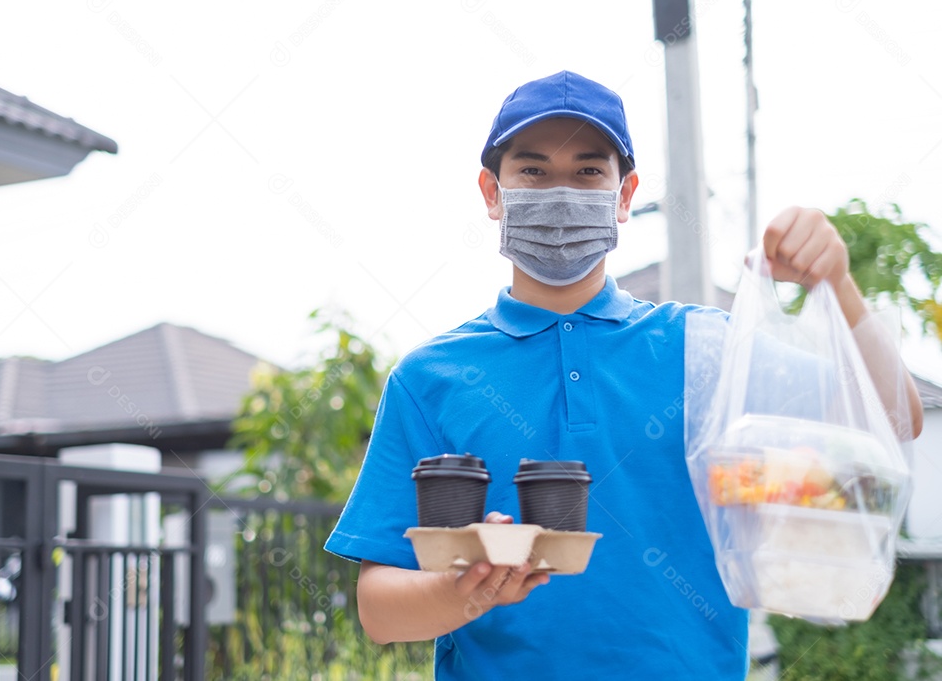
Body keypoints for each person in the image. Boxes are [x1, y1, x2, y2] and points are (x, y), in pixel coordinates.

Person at [324, 71, 923, 679]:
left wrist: (838, 286)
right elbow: (379, 609)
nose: (560, 191)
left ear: (625, 193)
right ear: (491, 191)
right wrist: (467, 590)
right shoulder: (431, 378)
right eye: (532, 171)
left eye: (588, 171)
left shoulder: (706, 349)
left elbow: (895, 414)